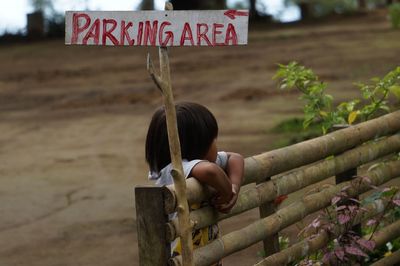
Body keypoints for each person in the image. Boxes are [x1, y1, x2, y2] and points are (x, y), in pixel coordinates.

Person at [145, 102, 244, 262]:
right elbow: (210, 171)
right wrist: (227, 192)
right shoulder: (174, 171)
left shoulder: (198, 163)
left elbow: (235, 158)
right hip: (181, 258)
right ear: (199, 145)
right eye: (214, 139)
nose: (216, 145)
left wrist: (234, 186)